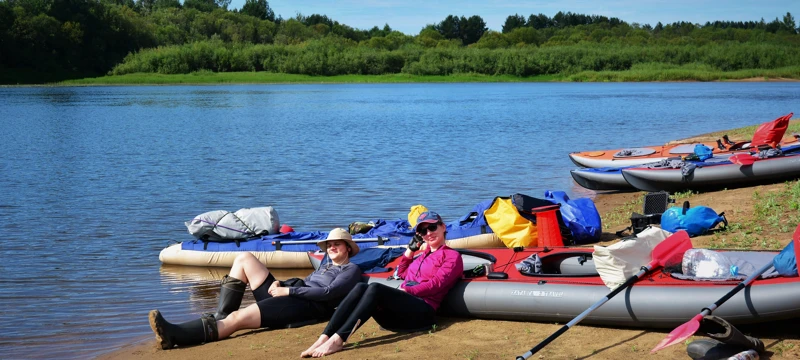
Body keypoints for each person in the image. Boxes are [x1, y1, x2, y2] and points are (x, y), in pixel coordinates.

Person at [148, 228, 362, 349]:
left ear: (348, 248)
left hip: (305, 307)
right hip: (291, 295)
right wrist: (283, 284)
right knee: (244, 258)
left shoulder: (351, 270)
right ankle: (222, 314)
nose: (332, 247)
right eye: (329, 244)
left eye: (337, 244)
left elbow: (328, 293)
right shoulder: (324, 266)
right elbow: (305, 283)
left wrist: (289, 291)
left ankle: (175, 335)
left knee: (238, 319)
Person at [300, 211, 463, 358]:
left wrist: (407, 290)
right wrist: (410, 251)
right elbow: (400, 273)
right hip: (396, 318)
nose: (428, 233)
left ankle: (339, 339)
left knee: (376, 288)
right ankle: (324, 336)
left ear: (442, 227)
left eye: (432, 227)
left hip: (423, 314)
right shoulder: (421, 257)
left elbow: (437, 284)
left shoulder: (452, 256)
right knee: (361, 287)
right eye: (423, 231)